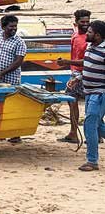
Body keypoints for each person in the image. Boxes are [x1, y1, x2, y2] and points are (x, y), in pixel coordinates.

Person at [56, 9, 92, 144]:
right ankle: (74, 132)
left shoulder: (89, 39)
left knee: (88, 103)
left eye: (88, 22)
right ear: (76, 22)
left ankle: (80, 133)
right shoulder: (75, 35)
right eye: (82, 22)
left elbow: (88, 60)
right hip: (75, 73)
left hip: (86, 74)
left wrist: (68, 63)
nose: (85, 24)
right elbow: (74, 54)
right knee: (73, 101)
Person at [76, 20, 105, 172]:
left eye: (89, 32)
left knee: (89, 125)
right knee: (98, 127)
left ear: (98, 35)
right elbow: (88, 64)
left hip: (99, 94)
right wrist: (78, 77)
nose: (86, 33)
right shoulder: (90, 46)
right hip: (89, 92)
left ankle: (92, 160)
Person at [0, 15, 27, 86]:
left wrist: (1, 73)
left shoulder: (19, 42)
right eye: (11, 26)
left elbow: (18, 62)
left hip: (11, 79)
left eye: (15, 26)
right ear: (3, 27)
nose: (14, 28)